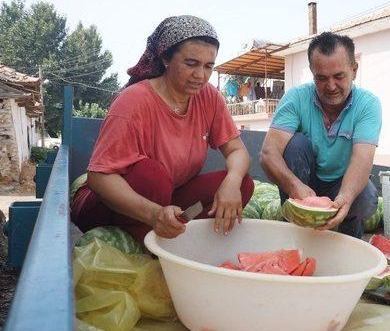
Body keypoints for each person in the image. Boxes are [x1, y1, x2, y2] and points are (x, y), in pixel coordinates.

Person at [71, 15, 254, 243]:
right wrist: (154, 214)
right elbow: (99, 177)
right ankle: (154, 243)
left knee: (243, 184)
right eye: (191, 64)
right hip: (107, 207)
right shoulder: (133, 101)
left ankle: (177, 235)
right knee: (153, 176)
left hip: (167, 201)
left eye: (208, 66)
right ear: (166, 59)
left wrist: (232, 182)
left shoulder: (210, 98)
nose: (201, 75)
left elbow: (237, 150)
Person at [260, 32, 381, 239]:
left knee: (366, 197)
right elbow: (268, 154)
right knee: (296, 144)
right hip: (304, 182)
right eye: (322, 78)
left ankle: (350, 231)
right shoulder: (296, 98)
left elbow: (362, 158)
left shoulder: (368, 104)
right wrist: (294, 186)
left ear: (354, 70)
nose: (331, 86)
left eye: (339, 76)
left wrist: (345, 197)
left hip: (342, 183)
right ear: (312, 72)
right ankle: (294, 226)